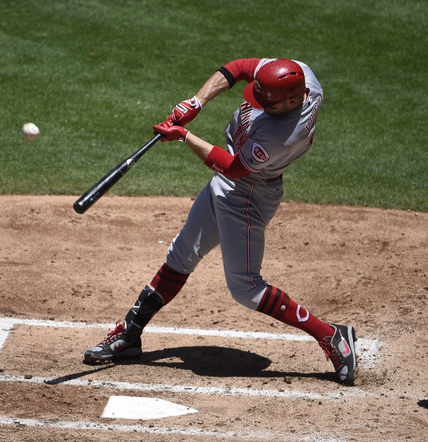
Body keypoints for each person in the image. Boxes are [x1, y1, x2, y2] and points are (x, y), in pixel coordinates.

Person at [83, 58, 359, 385]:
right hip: (229, 183)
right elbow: (240, 67)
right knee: (181, 254)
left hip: (247, 195)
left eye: (267, 104)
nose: (256, 103)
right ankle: (130, 334)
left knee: (246, 288)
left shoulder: (283, 135)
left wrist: (184, 135)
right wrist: (196, 101)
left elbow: (233, 168)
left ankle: (331, 336)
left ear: (292, 102)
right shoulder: (299, 74)